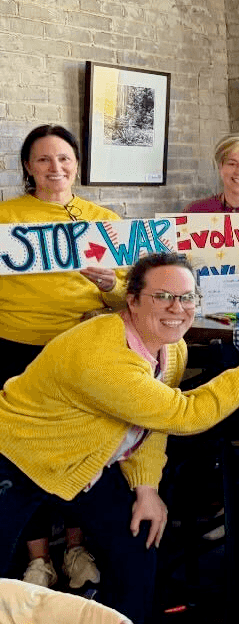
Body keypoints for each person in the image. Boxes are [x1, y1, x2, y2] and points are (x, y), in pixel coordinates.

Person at [0, 253, 239, 624]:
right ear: (131, 300)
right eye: (162, 296)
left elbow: (151, 423)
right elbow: (185, 414)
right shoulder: (103, 354)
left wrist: (146, 489)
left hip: (82, 461)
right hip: (18, 453)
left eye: (186, 297)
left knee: (138, 540)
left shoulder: (170, 346)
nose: (176, 308)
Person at [0, 124, 132, 591]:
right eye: (43, 160)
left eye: (64, 159)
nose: (55, 168)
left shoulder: (103, 219)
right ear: (27, 168)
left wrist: (110, 286)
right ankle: (39, 558)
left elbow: (129, 301)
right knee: (22, 456)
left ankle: (75, 547)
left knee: (80, 450)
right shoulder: (6, 218)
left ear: (77, 164)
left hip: (80, 353)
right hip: (17, 351)